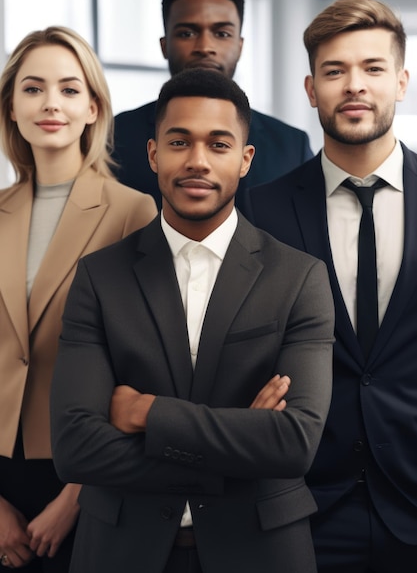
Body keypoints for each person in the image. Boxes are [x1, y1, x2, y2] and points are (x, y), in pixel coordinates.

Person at [50, 68, 334, 573]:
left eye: (218, 145)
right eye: (179, 142)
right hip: (120, 552)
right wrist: (242, 444)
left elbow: (293, 444)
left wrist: (146, 414)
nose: (197, 161)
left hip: (261, 553)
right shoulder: (99, 277)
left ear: (245, 160)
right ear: (154, 154)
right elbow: (75, 449)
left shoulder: (300, 278)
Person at [246, 0, 417, 572]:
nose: (354, 86)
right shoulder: (261, 210)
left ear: (401, 81)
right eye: (334, 71)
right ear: (310, 88)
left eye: (372, 69)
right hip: (307, 504)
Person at [0, 26, 157, 572]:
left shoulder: (133, 212)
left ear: (93, 107)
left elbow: (145, 368)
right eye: (33, 88)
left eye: (69, 90)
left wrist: (76, 496)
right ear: (13, 106)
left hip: (86, 466)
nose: (50, 104)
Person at [113, 0, 313, 212]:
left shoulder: (291, 147)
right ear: (165, 45)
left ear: (239, 46)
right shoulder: (113, 139)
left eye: (221, 33)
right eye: (187, 33)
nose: (205, 46)